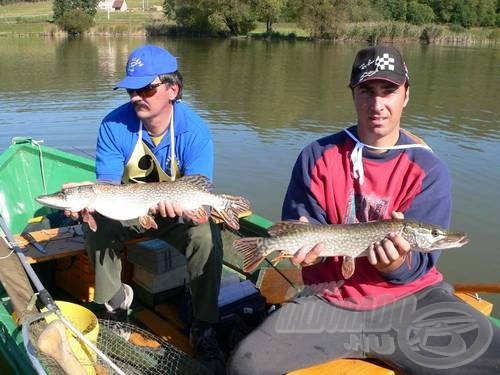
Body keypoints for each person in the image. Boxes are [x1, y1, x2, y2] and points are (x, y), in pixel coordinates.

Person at [227, 46, 500, 374]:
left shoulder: (428, 169)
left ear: (406, 96)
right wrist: (309, 254)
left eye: (389, 91)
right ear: (353, 94)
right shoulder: (317, 156)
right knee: (246, 366)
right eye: (366, 91)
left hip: (411, 301)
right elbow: (303, 224)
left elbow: (420, 265)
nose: (377, 104)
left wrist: (397, 264)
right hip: (330, 301)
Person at [68, 44, 225, 372]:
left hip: (177, 212)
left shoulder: (194, 131)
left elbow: (199, 190)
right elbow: (107, 185)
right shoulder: (114, 125)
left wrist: (183, 209)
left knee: (207, 236)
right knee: (96, 221)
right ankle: (113, 307)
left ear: (172, 90)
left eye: (145, 88)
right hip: (130, 210)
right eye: (131, 89)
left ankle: (204, 324)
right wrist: (86, 203)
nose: (136, 96)